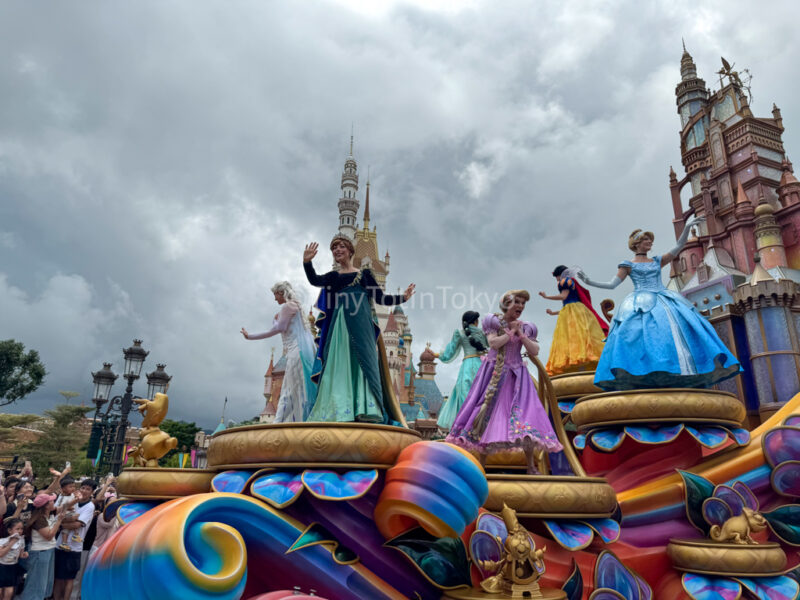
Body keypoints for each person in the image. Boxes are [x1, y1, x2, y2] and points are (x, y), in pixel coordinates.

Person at [578, 217, 741, 390]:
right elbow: (612, 285)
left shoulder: (657, 261)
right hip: (640, 301)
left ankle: (681, 367)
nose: (650, 242)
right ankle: (644, 370)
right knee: (635, 334)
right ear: (637, 244)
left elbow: (677, 248)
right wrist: (588, 281)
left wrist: (686, 228)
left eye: (650, 240)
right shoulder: (627, 265)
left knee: (677, 330)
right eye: (646, 240)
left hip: (664, 299)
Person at [446, 291, 563, 474]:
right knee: (486, 413)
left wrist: (522, 335)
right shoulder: (493, 321)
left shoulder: (527, 327)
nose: (521, 306)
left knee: (526, 417)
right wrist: (511, 332)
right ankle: (481, 466)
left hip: (517, 376)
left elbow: (534, 350)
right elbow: (493, 344)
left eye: (523, 303)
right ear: (505, 303)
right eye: (517, 302)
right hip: (494, 375)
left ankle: (530, 466)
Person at [302, 237, 415, 424]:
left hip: (361, 327)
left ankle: (364, 408)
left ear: (350, 250)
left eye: (341, 246)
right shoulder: (333, 277)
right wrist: (307, 262)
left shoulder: (364, 275)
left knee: (364, 364)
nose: (337, 250)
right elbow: (315, 280)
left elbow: (381, 298)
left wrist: (402, 297)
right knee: (339, 364)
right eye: (333, 248)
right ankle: (339, 409)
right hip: (340, 328)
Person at [241, 281, 318, 422]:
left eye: (275, 295)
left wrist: (250, 336)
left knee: (291, 391)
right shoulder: (296, 306)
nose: (275, 298)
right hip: (303, 352)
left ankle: (277, 425)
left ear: (282, 293)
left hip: (297, 351)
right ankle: (289, 422)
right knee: (300, 390)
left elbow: (277, 329)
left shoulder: (287, 306)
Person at [539, 265, 608, 375]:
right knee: (582, 336)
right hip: (577, 310)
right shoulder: (572, 282)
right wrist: (553, 313)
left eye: (556, 276)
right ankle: (583, 364)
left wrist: (546, 297)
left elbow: (563, 297)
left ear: (559, 275)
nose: (556, 279)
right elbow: (566, 306)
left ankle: (580, 363)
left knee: (574, 337)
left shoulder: (565, 281)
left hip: (572, 312)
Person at [435, 311, 489, 432]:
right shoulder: (482, 333)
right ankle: (481, 428)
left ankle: (464, 429)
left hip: (467, 366)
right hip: (482, 366)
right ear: (476, 321)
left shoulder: (459, 333)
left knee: (465, 397)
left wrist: (436, 355)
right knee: (482, 396)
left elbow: (449, 354)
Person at [53, 480, 96, 600]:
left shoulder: (90, 506)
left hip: (74, 547)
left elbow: (77, 524)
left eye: (88, 489)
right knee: (57, 577)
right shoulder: (73, 501)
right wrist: (64, 521)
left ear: (92, 492)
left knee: (69, 578)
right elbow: (56, 516)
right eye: (83, 488)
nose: (84, 491)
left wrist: (61, 524)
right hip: (59, 544)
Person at [20, 493, 64, 600]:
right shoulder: (39, 519)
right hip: (40, 553)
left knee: (43, 583)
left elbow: (65, 506)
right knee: (37, 584)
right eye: (52, 501)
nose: (54, 502)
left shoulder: (47, 515)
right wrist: (59, 521)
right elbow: (48, 536)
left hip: (47, 551)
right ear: (46, 505)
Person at [0, 519, 27, 600]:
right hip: (2, 566)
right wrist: (11, 543)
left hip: (12, 566)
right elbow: (1, 554)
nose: (20, 531)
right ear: (9, 531)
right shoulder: (3, 540)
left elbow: (20, 555)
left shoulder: (22, 540)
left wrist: (24, 554)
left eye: (21, 529)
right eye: (17, 529)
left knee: (9, 590)